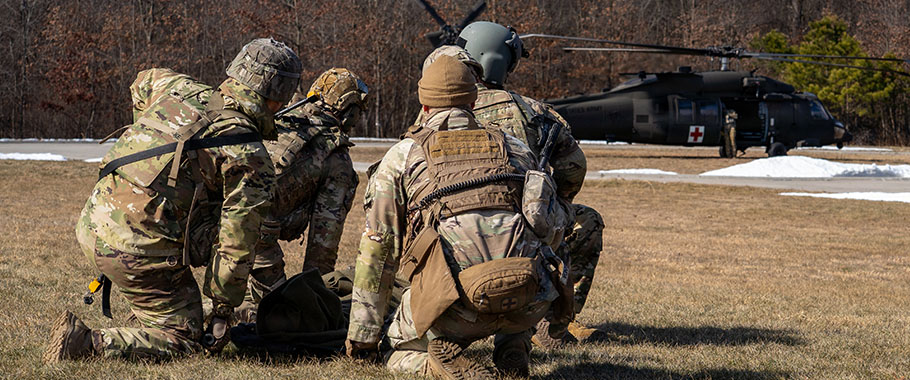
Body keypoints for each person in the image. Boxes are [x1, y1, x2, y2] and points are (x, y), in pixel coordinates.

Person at [45, 38, 302, 362]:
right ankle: (84, 343)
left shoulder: (180, 88)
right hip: (135, 247)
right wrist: (222, 311)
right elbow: (238, 242)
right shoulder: (249, 155)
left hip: (93, 222)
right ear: (278, 97)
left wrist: (150, 134)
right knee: (186, 337)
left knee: (206, 224)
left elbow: (143, 81)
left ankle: (154, 307)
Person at [345, 55, 571, 379]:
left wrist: (362, 339)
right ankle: (513, 348)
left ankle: (433, 365)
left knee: (396, 349)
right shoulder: (516, 148)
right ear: (474, 100)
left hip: (457, 308)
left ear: (424, 105)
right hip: (526, 299)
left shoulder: (402, 157)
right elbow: (548, 226)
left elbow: (378, 251)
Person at [457, 22, 606, 346]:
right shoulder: (534, 112)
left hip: (452, 232)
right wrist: (552, 203)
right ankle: (551, 323)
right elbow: (572, 169)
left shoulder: (437, 112)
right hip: (520, 230)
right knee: (587, 221)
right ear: (500, 61)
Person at [244, 68, 365, 313]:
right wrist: (316, 297)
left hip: (221, 225)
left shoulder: (279, 121)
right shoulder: (335, 156)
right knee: (280, 313)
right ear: (349, 112)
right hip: (253, 232)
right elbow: (323, 245)